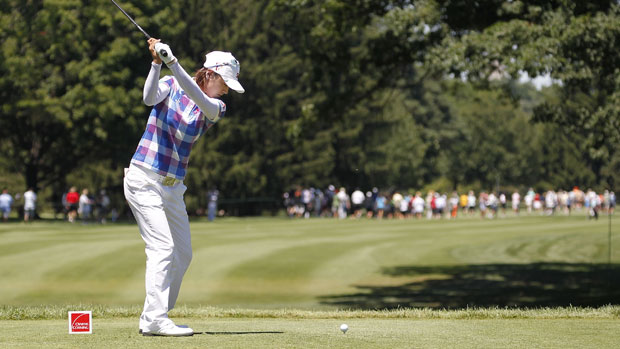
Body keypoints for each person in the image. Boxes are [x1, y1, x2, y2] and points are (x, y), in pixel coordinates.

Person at [123, 38, 244, 337]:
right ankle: (155, 317)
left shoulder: (217, 106)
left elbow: (197, 96)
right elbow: (149, 99)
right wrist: (156, 63)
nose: (228, 89)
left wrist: (172, 63)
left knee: (184, 253)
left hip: (173, 187)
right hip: (143, 178)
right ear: (212, 74)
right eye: (225, 82)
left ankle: (155, 313)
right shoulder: (170, 82)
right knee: (163, 247)